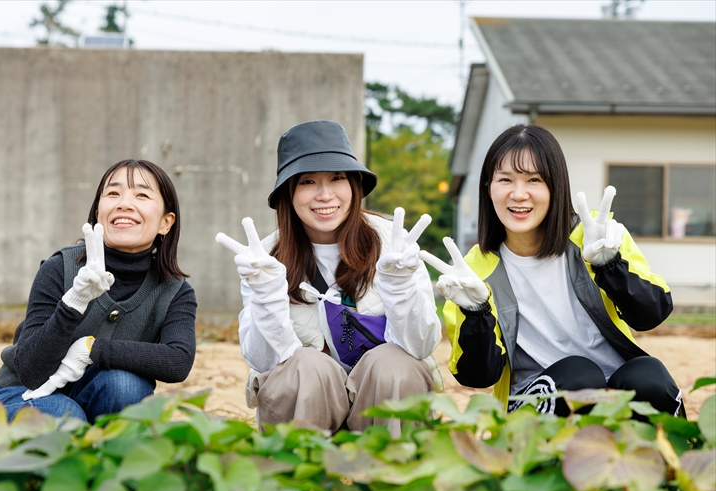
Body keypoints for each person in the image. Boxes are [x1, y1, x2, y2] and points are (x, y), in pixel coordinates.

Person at [420, 124, 682, 417]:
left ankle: (664, 458)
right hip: (534, 402)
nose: (519, 194)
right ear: (488, 188)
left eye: (534, 179)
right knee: (578, 375)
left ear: (555, 186)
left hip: (614, 389)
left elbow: (652, 314)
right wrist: (477, 313)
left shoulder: (594, 235)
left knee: (649, 376)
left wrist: (610, 266)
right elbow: (477, 376)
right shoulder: (473, 271)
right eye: (505, 179)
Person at [216, 120, 444, 436]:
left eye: (337, 178)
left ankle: (394, 473)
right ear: (289, 193)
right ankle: (301, 474)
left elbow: (419, 346)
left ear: (354, 185)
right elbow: (264, 359)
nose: (325, 195)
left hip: (380, 404)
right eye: (308, 181)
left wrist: (401, 286)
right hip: (309, 406)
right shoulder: (264, 256)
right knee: (304, 366)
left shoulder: (394, 243)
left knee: (395, 363)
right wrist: (267, 294)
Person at [0, 159, 197, 423]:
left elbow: (178, 360)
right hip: (24, 394)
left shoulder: (175, 291)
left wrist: (92, 349)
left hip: (100, 391)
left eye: (142, 194)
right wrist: (73, 303)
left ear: (166, 223)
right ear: (98, 213)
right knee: (66, 418)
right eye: (112, 193)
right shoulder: (59, 268)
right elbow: (30, 371)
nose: (124, 203)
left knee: (126, 387)